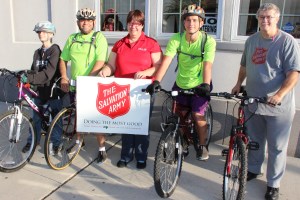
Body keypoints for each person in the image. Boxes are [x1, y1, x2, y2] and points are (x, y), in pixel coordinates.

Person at [231, 3, 300, 200]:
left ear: (277, 18)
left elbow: (294, 73)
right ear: (257, 19)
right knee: (254, 141)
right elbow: (244, 65)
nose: (265, 20)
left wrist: (279, 95)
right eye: (262, 17)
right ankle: (253, 168)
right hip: (254, 102)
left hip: (278, 107)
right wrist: (238, 83)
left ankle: (273, 184)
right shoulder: (252, 40)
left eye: (269, 17)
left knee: (278, 147)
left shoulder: (287, 42)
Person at [146, 4, 216, 161]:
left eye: (194, 20)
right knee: (179, 116)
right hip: (181, 83)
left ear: (201, 23)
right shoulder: (176, 39)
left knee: (197, 115)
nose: (191, 23)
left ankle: (203, 145)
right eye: (188, 20)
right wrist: (156, 80)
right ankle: (183, 141)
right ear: (184, 22)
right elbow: (166, 61)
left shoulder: (208, 41)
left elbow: (208, 65)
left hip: (200, 84)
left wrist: (205, 84)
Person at [99, 9, 162, 169]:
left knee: (141, 124)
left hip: (144, 90)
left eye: (137, 23)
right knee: (125, 123)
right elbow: (111, 65)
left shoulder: (151, 43)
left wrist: (146, 73)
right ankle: (126, 155)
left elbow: (158, 66)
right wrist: (105, 72)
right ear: (127, 24)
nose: (134, 26)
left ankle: (141, 156)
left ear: (142, 26)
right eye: (131, 22)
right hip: (123, 90)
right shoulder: (120, 44)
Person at [59, 8, 109, 163]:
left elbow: (101, 61)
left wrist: (87, 80)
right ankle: (78, 142)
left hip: (91, 85)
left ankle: (102, 148)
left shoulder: (99, 37)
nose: (85, 22)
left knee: (96, 118)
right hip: (75, 86)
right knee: (78, 117)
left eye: (88, 20)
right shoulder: (72, 39)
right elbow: (63, 59)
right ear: (78, 22)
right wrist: (64, 77)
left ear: (93, 22)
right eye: (82, 20)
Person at [22, 21, 63, 153]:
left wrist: (30, 78)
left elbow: (48, 74)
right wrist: (24, 75)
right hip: (39, 90)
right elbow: (34, 70)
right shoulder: (37, 52)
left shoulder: (55, 50)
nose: (41, 34)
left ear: (51, 34)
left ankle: (56, 142)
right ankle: (33, 141)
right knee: (36, 117)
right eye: (39, 31)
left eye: (44, 31)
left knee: (56, 117)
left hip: (53, 90)